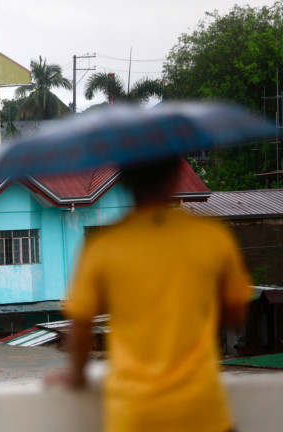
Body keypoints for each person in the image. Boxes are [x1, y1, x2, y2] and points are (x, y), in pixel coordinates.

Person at [47, 157, 251, 432]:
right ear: (176, 174)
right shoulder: (211, 236)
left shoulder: (104, 246)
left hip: (134, 414)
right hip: (202, 411)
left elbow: (81, 327)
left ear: (124, 180)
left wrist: (77, 376)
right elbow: (237, 313)